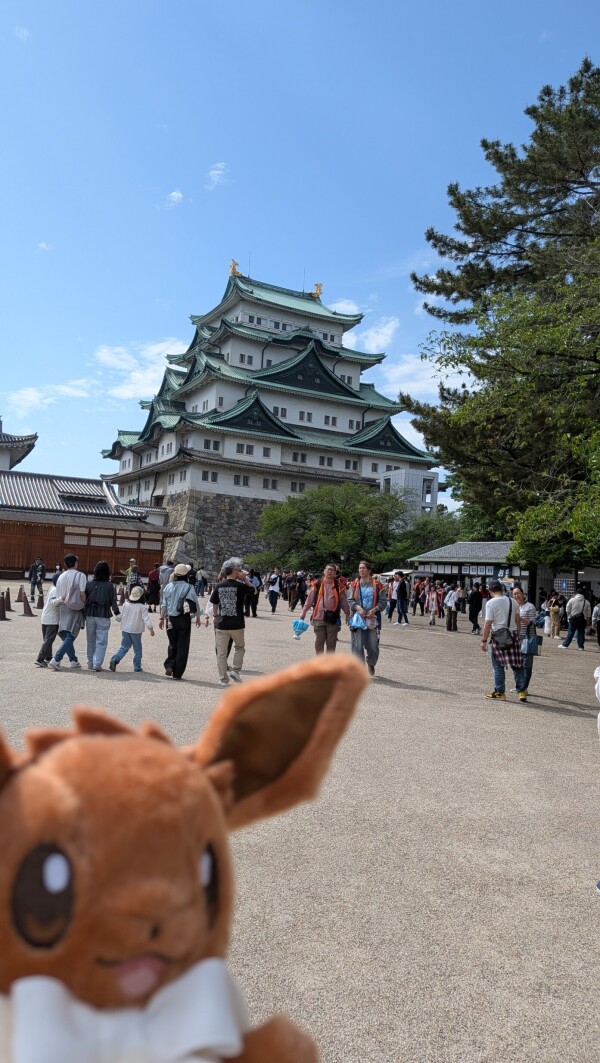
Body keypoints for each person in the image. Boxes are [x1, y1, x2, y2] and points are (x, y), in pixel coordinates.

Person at [209, 557, 255, 685]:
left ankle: (223, 679)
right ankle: (235, 670)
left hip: (222, 624)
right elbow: (254, 591)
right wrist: (245, 580)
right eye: (239, 569)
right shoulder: (240, 586)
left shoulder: (219, 585)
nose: (240, 571)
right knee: (240, 647)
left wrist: (215, 616)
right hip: (237, 624)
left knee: (221, 653)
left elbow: (214, 603)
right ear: (234, 571)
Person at [480, 580, 526, 701]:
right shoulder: (513, 601)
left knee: (498, 666)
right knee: (517, 665)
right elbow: (517, 620)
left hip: (499, 637)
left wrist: (484, 640)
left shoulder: (491, 603)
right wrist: (517, 634)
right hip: (513, 635)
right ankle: (521, 691)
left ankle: (500, 692)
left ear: (490, 591)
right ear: (502, 589)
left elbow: (488, 623)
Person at [159, 563, 202, 679]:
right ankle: (177, 673)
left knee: (172, 643)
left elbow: (164, 604)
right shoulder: (189, 587)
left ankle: (169, 665)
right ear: (186, 574)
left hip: (170, 619)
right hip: (183, 618)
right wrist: (198, 616)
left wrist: (161, 618)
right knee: (183, 646)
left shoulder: (168, 587)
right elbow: (195, 602)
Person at [300, 562, 351, 655]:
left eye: (332, 570)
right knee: (319, 642)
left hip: (333, 618)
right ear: (324, 571)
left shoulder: (339, 585)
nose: (330, 572)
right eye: (328, 570)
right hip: (318, 617)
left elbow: (344, 600)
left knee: (331, 644)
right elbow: (309, 599)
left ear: (335, 573)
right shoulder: (317, 584)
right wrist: (303, 612)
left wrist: (348, 613)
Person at [48, 554, 87, 671]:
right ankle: (56, 659)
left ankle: (73, 660)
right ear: (76, 563)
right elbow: (82, 593)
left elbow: (59, 593)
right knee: (72, 634)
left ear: (65, 564)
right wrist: (84, 603)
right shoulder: (80, 575)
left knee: (65, 633)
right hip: (75, 607)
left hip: (62, 605)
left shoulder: (61, 576)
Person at [347, 561, 387, 676]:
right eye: (360, 568)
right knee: (357, 645)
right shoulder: (354, 585)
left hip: (372, 619)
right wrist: (358, 608)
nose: (361, 570)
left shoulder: (378, 585)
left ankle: (371, 662)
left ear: (369, 570)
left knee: (373, 645)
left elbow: (383, 602)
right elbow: (350, 600)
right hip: (358, 619)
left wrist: (374, 609)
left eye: (363, 568)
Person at [110, 585, 155, 672]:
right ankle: (137, 666)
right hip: (136, 631)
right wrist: (151, 629)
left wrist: (117, 618)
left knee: (124, 647)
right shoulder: (142, 607)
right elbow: (146, 619)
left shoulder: (126, 604)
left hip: (125, 629)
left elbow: (121, 616)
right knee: (137, 649)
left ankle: (114, 660)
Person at [85, 561, 120, 671]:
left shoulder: (89, 584)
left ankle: (90, 662)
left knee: (90, 639)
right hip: (104, 613)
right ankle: (97, 663)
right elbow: (113, 601)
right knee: (101, 640)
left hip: (90, 613)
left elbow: (84, 599)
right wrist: (117, 612)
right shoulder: (110, 586)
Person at [512, 585, 538, 695]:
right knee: (517, 664)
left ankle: (524, 688)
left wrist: (520, 619)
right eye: (514, 594)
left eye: (518, 593)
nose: (516, 595)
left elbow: (533, 623)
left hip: (527, 638)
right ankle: (519, 686)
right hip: (516, 638)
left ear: (523, 594)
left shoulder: (530, 607)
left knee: (526, 665)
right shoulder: (513, 606)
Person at [34, 584, 60, 667]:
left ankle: (48, 657)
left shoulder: (52, 588)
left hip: (46, 617)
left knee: (47, 639)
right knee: (49, 639)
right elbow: (53, 603)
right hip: (52, 619)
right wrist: (62, 599)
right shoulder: (56, 590)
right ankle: (40, 658)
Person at [558, 585, 591, 650]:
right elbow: (589, 613)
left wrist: (569, 616)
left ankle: (565, 645)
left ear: (576, 593)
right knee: (581, 633)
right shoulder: (587, 602)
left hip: (573, 618)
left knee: (570, 632)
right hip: (582, 619)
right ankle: (581, 646)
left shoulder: (572, 600)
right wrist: (587, 620)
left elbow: (567, 609)